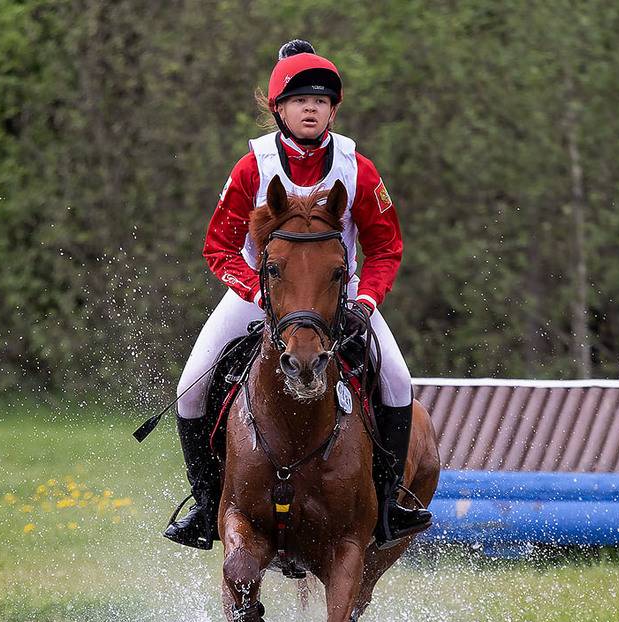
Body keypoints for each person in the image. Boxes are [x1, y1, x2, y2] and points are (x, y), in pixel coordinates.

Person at [164, 39, 432, 552]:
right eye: (300, 100)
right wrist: (256, 292)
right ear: (279, 110)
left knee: (398, 381)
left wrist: (366, 301)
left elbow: (385, 247)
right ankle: (205, 503)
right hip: (259, 290)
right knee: (189, 389)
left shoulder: (358, 169)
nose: (312, 109)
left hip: (339, 296)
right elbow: (219, 247)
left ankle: (387, 505)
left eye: (321, 101)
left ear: (333, 110)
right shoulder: (252, 168)